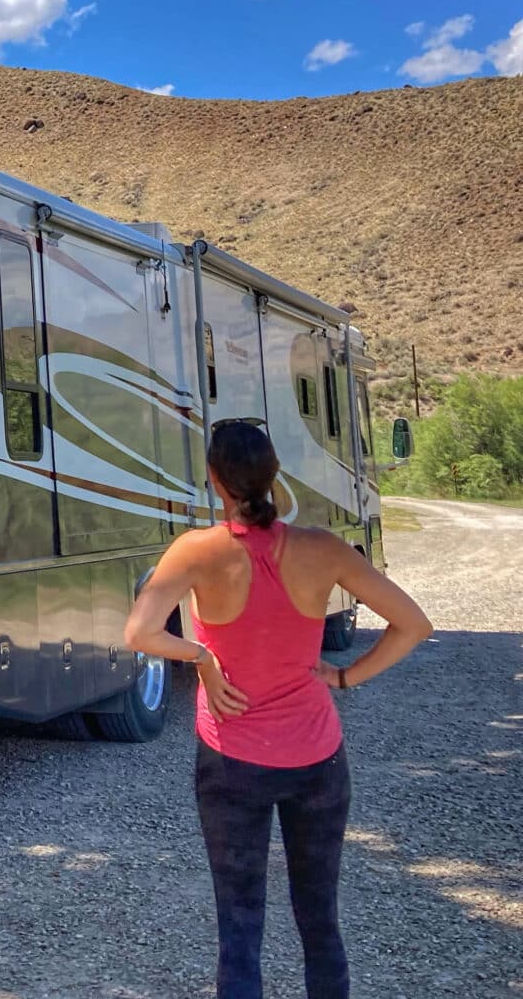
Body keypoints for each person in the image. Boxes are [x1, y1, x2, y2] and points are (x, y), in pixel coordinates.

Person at [124, 420, 433, 999]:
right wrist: (343, 676)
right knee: (320, 921)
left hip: (231, 759)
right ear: (274, 477)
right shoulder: (322, 548)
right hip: (317, 759)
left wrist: (203, 659)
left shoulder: (196, 551)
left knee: (239, 925)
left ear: (214, 480)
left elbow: (139, 632)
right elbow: (414, 624)